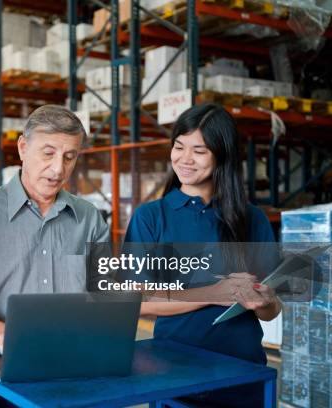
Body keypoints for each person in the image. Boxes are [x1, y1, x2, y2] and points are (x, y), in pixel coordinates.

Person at [0, 104, 110, 406]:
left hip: (72, 371)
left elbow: (104, 296)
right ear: (22, 148)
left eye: (69, 157)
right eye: (48, 153)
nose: (59, 169)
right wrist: (5, 336)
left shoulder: (89, 218)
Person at [123, 103, 281, 408]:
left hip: (243, 369)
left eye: (199, 150)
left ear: (222, 155)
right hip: (174, 369)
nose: (184, 159)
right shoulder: (152, 218)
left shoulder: (252, 219)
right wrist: (213, 293)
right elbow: (137, 302)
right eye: (179, 147)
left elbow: (271, 311)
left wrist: (264, 300)